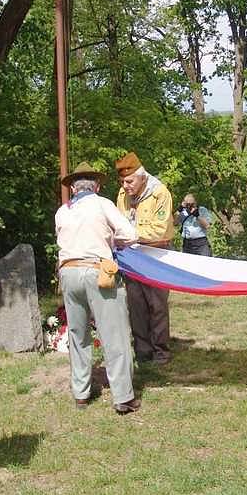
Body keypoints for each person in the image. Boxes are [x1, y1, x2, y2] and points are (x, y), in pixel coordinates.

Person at [55, 161, 141, 413]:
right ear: (97, 185)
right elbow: (130, 233)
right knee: (114, 334)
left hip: (68, 272)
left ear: (73, 188)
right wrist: (111, 240)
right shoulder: (103, 204)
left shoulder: (62, 211)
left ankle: (81, 392)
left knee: (78, 334)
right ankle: (123, 396)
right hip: (98, 271)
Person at [115, 152, 175, 364]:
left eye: (129, 181)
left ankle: (161, 350)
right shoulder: (122, 195)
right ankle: (142, 350)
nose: (125, 186)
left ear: (142, 177)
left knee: (157, 304)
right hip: (132, 255)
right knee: (136, 304)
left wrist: (131, 234)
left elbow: (159, 229)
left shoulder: (160, 193)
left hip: (157, 253)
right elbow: (118, 221)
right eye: (122, 181)